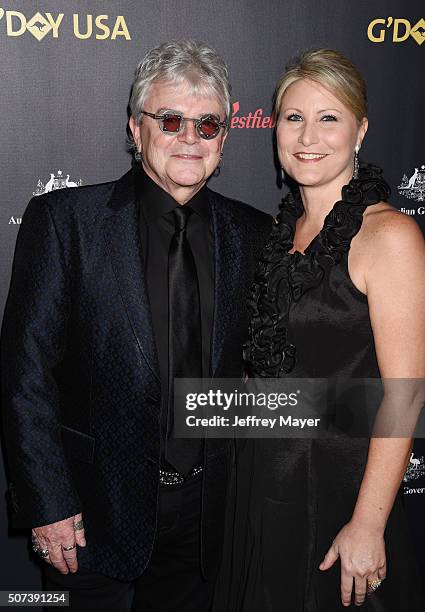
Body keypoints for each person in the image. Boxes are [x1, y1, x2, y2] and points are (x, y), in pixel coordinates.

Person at [0, 40, 272, 611]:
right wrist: (46, 503)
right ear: (135, 127)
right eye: (170, 120)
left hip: (205, 522)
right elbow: (26, 377)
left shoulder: (253, 234)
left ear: (225, 136)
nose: (189, 139)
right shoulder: (66, 223)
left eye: (208, 124)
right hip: (89, 519)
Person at [227, 49, 425, 611]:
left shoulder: (389, 237)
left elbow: (406, 394)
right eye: (293, 117)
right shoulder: (275, 233)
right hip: (262, 489)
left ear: (360, 130)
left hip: (340, 491)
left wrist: (367, 523)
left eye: (328, 117)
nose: (307, 134)